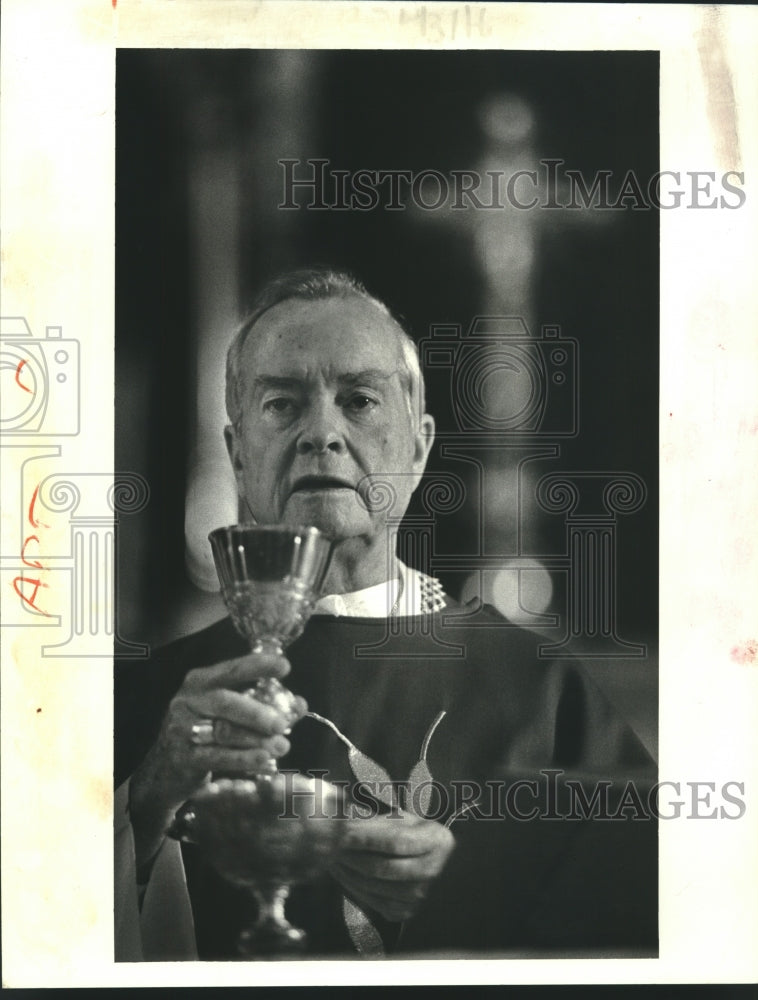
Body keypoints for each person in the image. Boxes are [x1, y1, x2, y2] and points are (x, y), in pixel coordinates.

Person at [115, 268, 657, 961]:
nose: (322, 434)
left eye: (359, 399)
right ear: (237, 454)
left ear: (420, 446)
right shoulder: (160, 699)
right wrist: (148, 801)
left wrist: (479, 892)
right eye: (282, 404)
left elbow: (664, 910)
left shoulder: (540, 684)